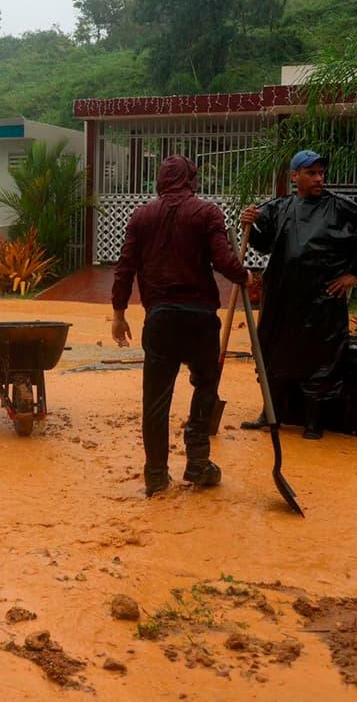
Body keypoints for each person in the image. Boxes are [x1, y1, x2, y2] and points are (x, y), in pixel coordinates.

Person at [110, 155, 249, 497]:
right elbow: (224, 261)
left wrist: (118, 313)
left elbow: (124, 267)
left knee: (155, 400)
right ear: (191, 180)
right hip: (200, 320)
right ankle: (198, 462)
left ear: (161, 180)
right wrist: (245, 275)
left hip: (160, 321)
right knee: (205, 385)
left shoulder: (141, 216)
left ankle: (156, 475)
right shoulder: (207, 213)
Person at [239, 150, 357, 439]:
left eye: (321, 173)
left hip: (320, 300)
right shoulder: (279, 208)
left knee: (319, 359)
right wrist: (249, 226)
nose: (319, 178)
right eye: (311, 173)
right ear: (295, 176)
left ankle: (313, 421)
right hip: (281, 298)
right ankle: (270, 413)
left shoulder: (339, 208)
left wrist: (354, 274)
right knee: (272, 353)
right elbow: (264, 244)